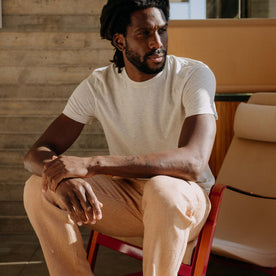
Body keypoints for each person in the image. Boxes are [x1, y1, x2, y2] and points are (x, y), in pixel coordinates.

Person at [23, 0, 217, 275]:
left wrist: (93, 164)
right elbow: (36, 152)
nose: (157, 42)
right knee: (38, 187)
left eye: (162, 31)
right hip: (126, 200)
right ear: (119, 40)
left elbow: (193, 162)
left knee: (163, 190)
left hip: (183, 200)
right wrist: (62, 178)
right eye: (144, 33)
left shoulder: (193, 75)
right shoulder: (98, 85)